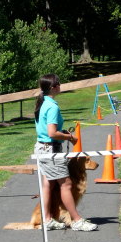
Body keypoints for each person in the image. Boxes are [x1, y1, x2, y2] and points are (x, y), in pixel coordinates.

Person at [34, 73, 98, 232]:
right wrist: (69, 137)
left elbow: (48, 130)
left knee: (48, 184)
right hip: (51, 149)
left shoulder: (43, 103)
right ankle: (76, 220)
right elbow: (51, 133)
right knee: (67, 184)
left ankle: (47, 219)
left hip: (42, 147)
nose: (60, 86)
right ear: (54, 87)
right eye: (59, 84)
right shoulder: (52, 106)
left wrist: (61, 132)